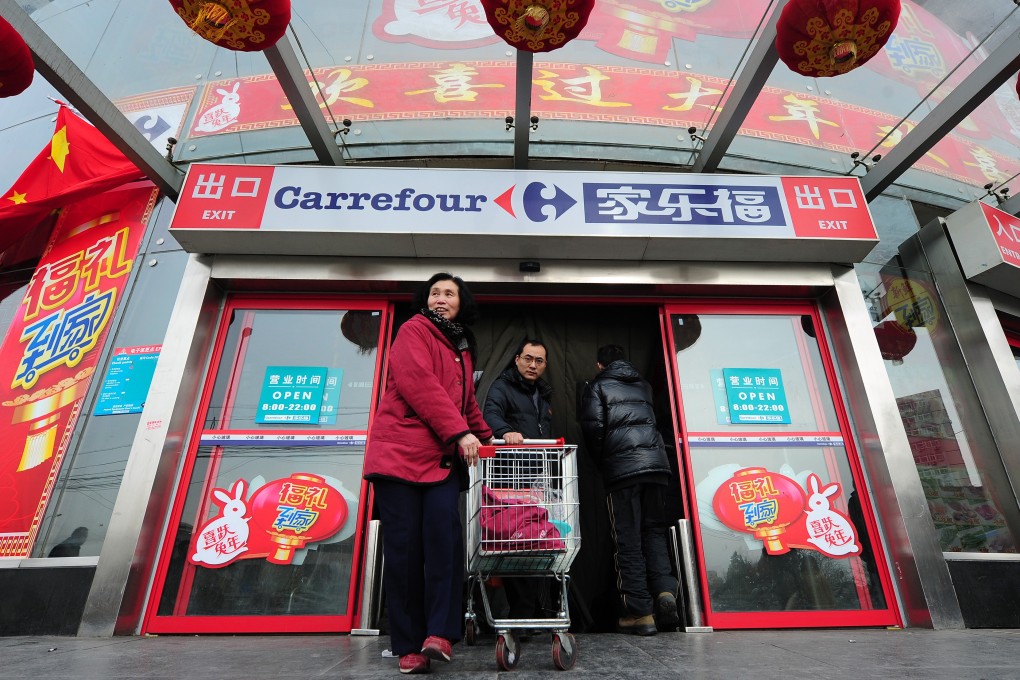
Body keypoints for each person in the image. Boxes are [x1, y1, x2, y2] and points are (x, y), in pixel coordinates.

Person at [363, 272, 493, 675]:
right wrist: (460, 433)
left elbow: (465, 403)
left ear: (461, 303)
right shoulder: (413, 330)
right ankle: (407, 644)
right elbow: (419, 384)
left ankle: (439, 633)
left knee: (444, 542)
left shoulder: (461, 346)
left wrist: (493, 437)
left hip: (439, 464)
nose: (440, 298)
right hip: (399, 459)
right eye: (434, 292)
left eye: (449, 293)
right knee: (403, 553)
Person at [579, 344, 680, 636]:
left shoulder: (598, 386)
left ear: (600, 366)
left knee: (628, 539)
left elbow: (593, 429)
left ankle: (639, 613)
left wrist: (605, 463)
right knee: (654, 531)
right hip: (658, 468)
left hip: (624, 470)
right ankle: (664, 592)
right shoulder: (644, 386)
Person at [482, 338, 554, 628]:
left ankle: (533, 612)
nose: (532, 365)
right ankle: (521, 613)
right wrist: (505, 431)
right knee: (515, 544)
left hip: (536, 479)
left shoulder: (543, 393)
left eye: (539, 361)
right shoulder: (502, 387)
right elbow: (489, 415)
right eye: (528, 358)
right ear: (516, 359)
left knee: (538, 543)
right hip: (509, 480)